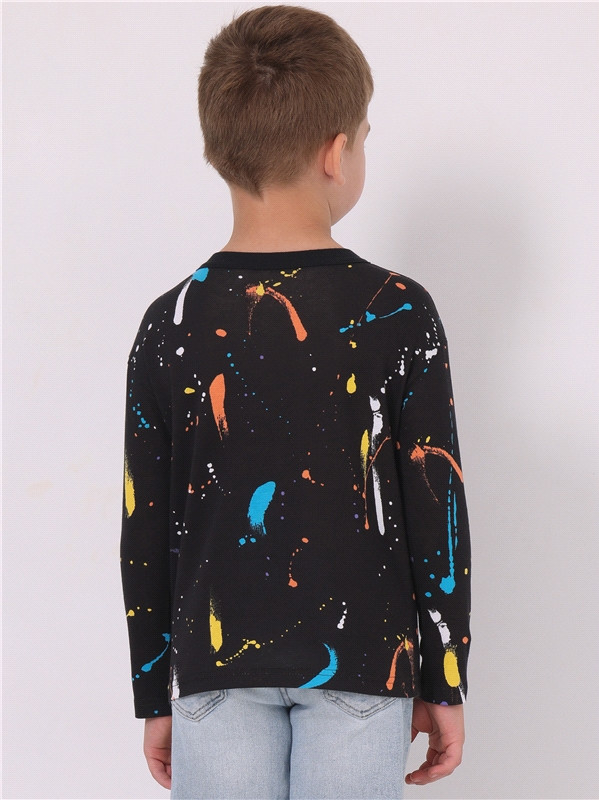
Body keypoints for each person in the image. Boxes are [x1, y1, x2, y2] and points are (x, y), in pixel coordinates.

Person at [120, 5, 471, 799]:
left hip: (214, 667)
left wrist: (154, 690)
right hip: (365, 664)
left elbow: (146, 525)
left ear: (219, 148)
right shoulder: (396, 311)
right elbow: (435, 508)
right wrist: (443, 678)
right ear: (336, 151)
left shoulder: (169, 322)